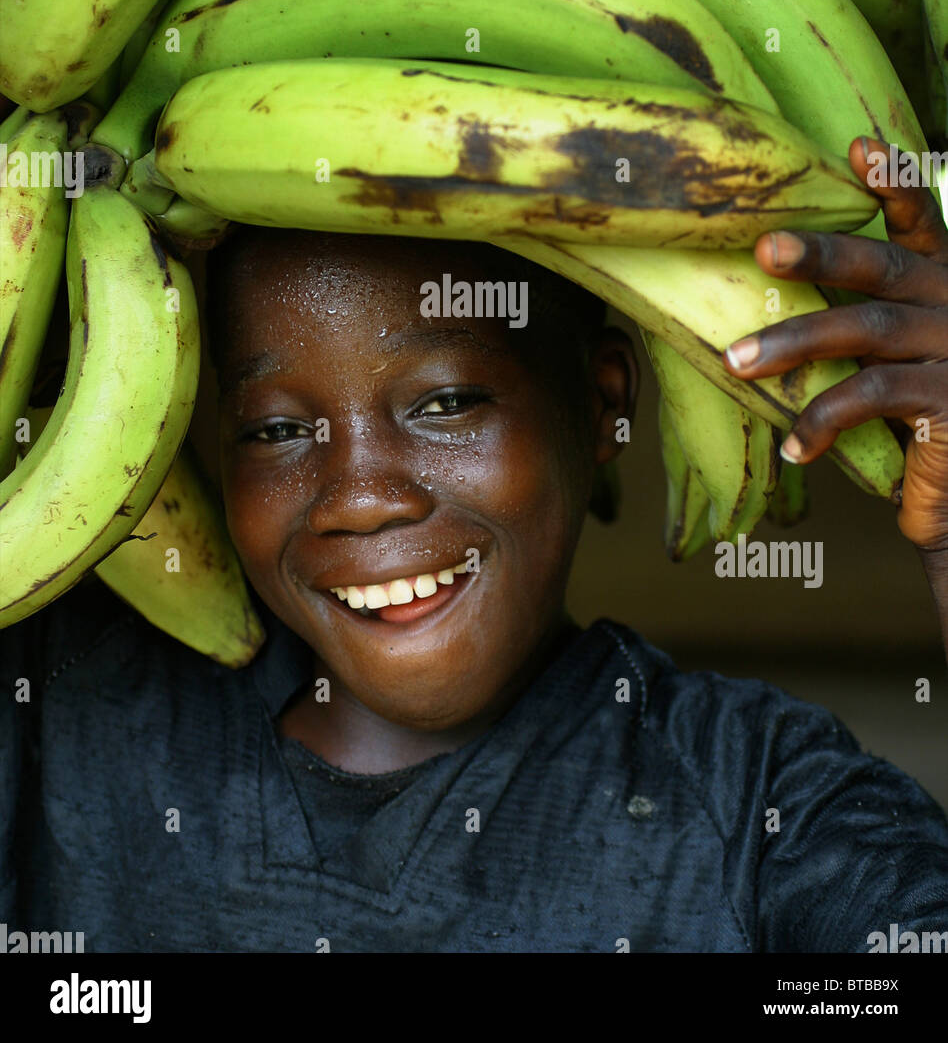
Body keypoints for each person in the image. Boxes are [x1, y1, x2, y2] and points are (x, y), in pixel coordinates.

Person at [2, 137, 947, 952]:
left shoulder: (757, 806)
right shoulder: (73, 690)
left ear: (603, 401)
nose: (361, 499)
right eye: (278, 431)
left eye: (446, 403)